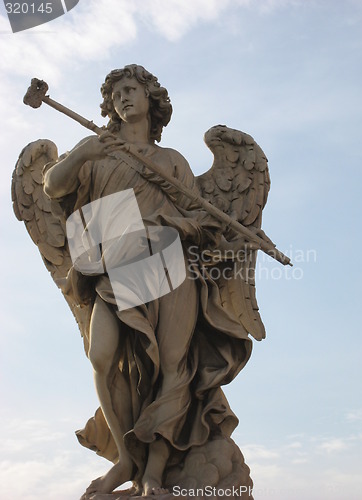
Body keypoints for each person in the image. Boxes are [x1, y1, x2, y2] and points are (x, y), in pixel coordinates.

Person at [44, 64, 252, 498]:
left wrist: (169, 222)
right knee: (102, 355)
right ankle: (125, 457)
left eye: (132, 89)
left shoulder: (172, 161)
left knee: (173, 367)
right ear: (110, 105)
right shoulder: (96, 150)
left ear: (151, 99)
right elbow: (52, 186)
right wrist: (82, 155)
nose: (124, 97)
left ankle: (154, 471)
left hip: (169, 267)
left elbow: (198, 221)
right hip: (116, 268)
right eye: (117, 92)